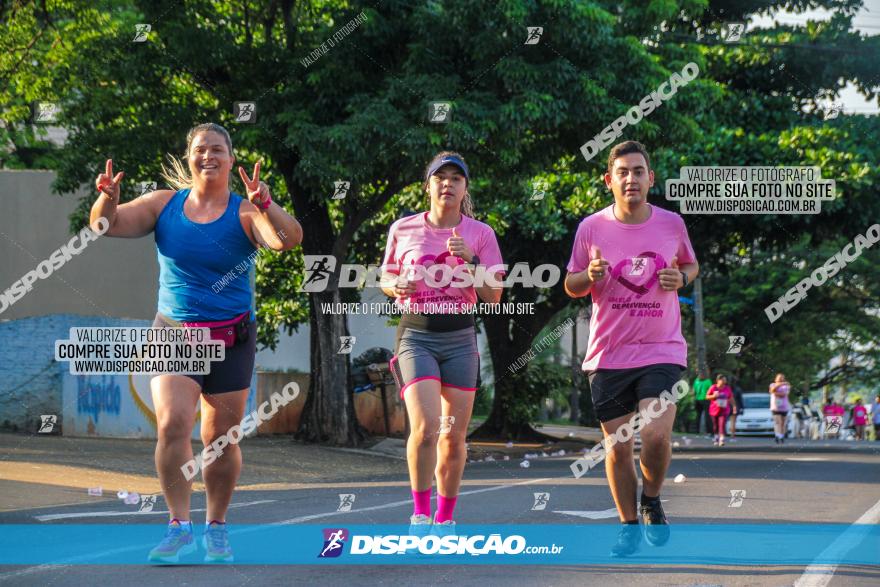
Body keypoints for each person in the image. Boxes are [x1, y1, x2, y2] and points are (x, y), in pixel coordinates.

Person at [90, 123, 301, 563]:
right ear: (189, 158)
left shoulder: (245, 212)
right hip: (174, 333)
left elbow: (287, 240)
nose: (209, 156)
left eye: (217, 149)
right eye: (200, 149)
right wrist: (107, 197)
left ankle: (217, 527)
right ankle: (178, 526)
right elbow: (104, 225)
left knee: (219, 437)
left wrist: (266, 202)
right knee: (172, 424)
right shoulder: (164, 205)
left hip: (231, 337)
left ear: (231, 158)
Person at [564, 140, 698, 556]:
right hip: (608, 353)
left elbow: (689, 264)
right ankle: (626, 525)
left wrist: (683, 279)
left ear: (650, 178)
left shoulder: (672, 224)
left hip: (661, 348)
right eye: (622, 172)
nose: (631, 178)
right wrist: (589, 275)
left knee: (656, 436)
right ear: (609, 180)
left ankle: (652, 500)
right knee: (618, 447)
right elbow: (571, 286)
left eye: (639, 171)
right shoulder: (591, 228)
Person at [380, 151, 504, 537]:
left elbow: (495, 295)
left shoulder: (481, 234)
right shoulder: (403, 229)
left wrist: (471, 262)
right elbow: (386, 275)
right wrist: (393, 285)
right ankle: (419, 515)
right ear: (428, 185)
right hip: (416, 336)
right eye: (440, 177)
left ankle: (445, 518)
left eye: (455, 178)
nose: (447, 184)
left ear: (465, 187)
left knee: (453, 437)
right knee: (427, 427)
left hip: (460, 339)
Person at [706, 375, 733, 446]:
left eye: (725, 380)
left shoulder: (727, 388)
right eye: (723, 380)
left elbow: (730, 398)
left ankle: (721, 439)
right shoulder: (713, 387)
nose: (724, 381)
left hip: (724, 409)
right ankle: (716, 437)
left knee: (722, 424)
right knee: (715, 425)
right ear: (718, 380)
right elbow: (707, 396)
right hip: (714, 410)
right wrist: (714, 396)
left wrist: (734, 406)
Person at [769, 373, 791, 444]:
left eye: (782, 378)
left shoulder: (786, 386)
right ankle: (777, 435)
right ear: (776, 379)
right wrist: (780, 384)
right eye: (779, 378)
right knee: (777, 422)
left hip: (784, 407)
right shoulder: (772, 384)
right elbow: (772, 390)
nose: (781, 379)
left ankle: (781, 436)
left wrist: (776, 393)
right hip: (775, 407)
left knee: (782, 423)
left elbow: (784, 394)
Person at [692, 370, 713, 436]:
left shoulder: (708, 381)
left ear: (704, 375)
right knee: (698, 416)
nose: (700, 376)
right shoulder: (696, 381)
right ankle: (697, 432)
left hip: (706, 400)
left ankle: (709, 432)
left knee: (707, 416)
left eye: (701, 375)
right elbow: (694, 391)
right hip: (698, 400)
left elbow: (711, 390)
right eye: (699, 375)